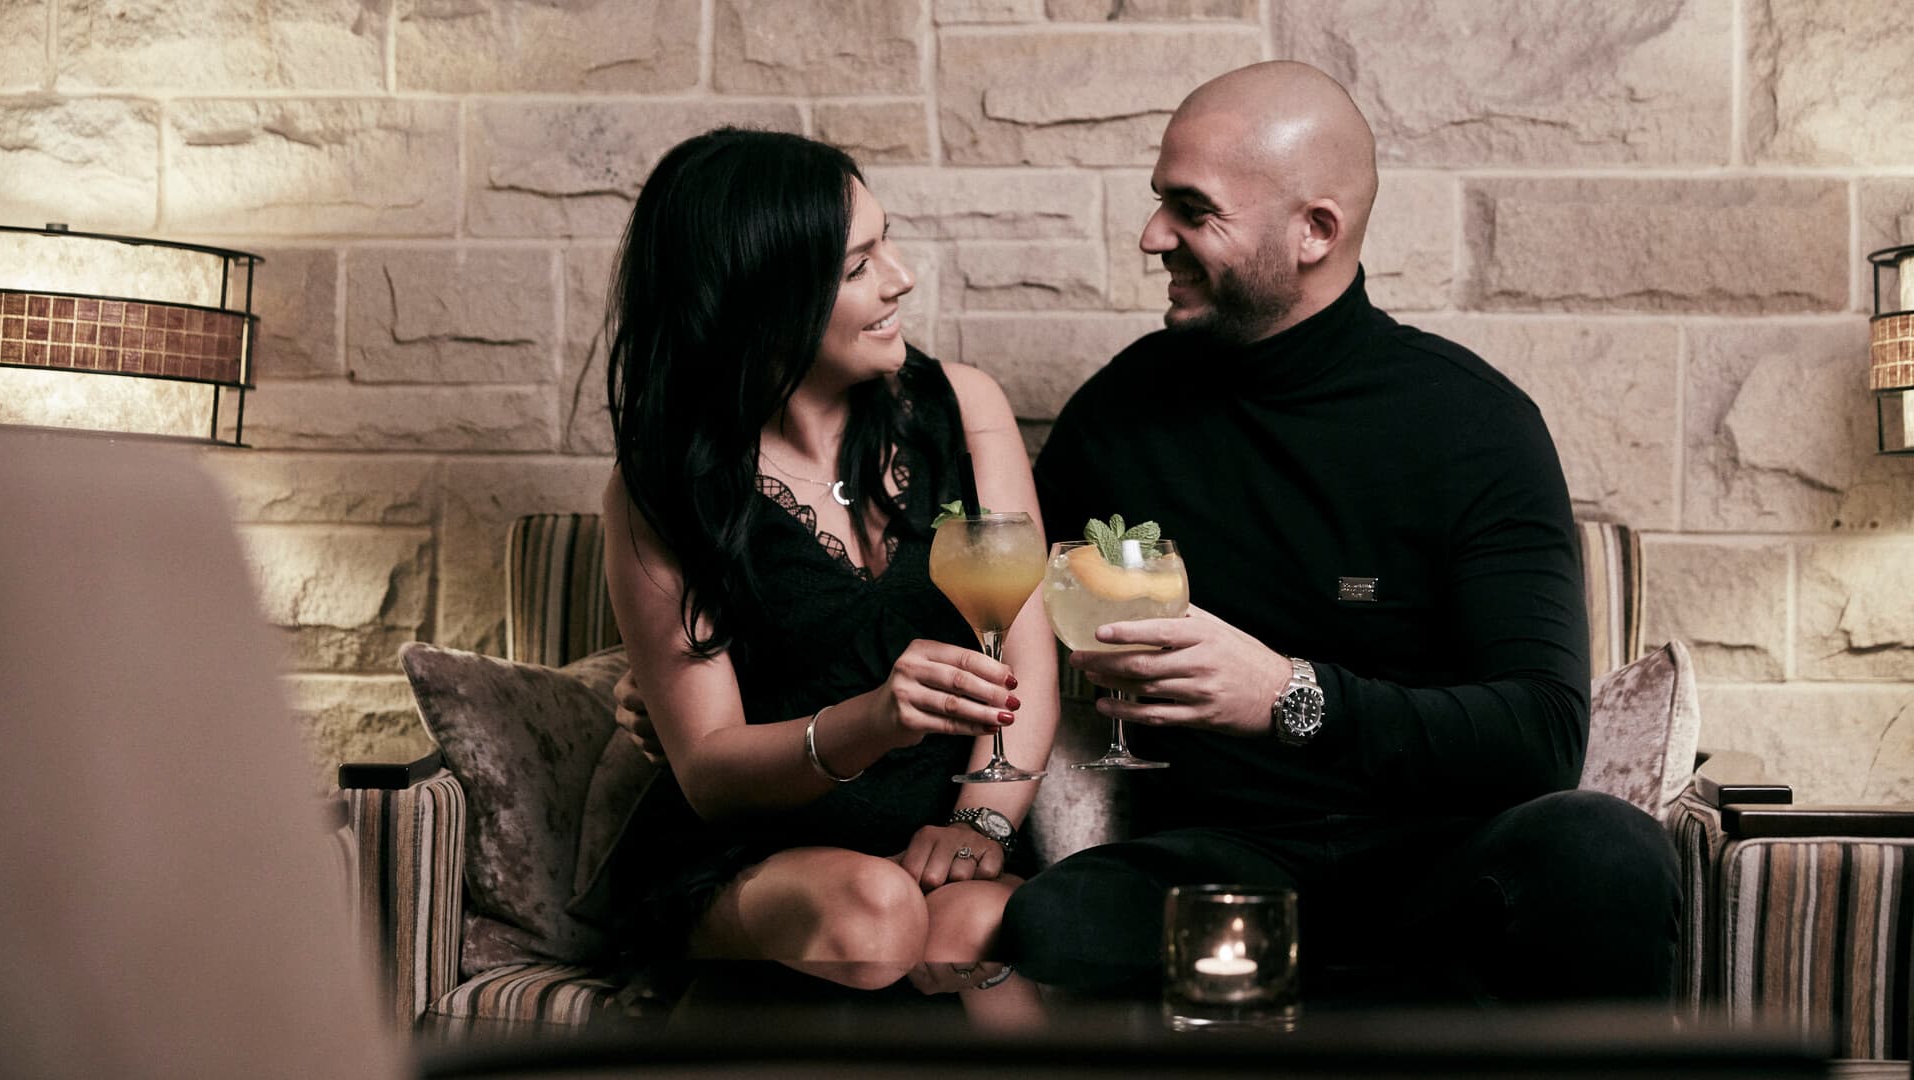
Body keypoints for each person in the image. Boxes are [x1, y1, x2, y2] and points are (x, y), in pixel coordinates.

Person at [1002, 61, 1681, 1003]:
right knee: (1056, 923)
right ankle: (1383, 1011)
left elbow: (1541, 734)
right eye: (1160, 202)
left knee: (1605, 854)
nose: (1154, 236)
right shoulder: (1122, 414)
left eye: (1193, 211)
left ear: (1315, 231)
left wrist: (1288, 695)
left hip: (1442, 868)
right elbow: (1010, 620)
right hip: (1227, 880)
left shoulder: (1471, 425)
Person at [600, 127, 1057, 994]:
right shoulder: (662, 487)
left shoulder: (962, 407)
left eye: (884, 242)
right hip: (756, 854)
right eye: (857, 268)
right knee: (874, 915)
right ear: (760, 302)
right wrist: (875, 717)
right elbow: (708, 771)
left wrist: (982, 823)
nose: (901, 278)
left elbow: (1025, 647)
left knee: (974, 923)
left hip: (943, 825)